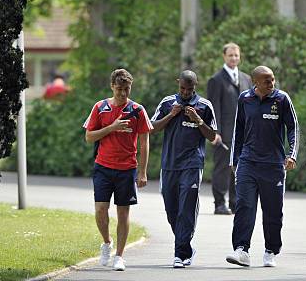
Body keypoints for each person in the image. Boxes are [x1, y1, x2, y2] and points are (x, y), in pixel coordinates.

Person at [226, 66, 299, 268]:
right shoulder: (245, 98)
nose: (271, 83)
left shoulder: (282, 99)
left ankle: (270, 250)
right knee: (244, 207)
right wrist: (234, 160)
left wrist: (291, 154)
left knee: (273, 211)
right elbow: (237, 130)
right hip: (248, 163)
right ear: (255, 82)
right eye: (267, 80)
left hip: (274, 165)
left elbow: (293, 128)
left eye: (273, 79)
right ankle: (241, 250)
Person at [83, 68, 152, 271]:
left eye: (127, 89)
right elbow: (89, 137)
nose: (123, 93)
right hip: (103, 166)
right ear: (112, 86)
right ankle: (106, 242)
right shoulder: (100, 107)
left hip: (127, 169)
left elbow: (144, 142)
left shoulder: (138, 110)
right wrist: (112, 127)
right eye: (119, 89)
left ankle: (119, 257)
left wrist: (142, 171)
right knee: (100, 210)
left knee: (123, 213)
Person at [151, 70, 217, 268]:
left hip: (192, 163)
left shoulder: (204, 106)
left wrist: (198, 120)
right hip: (170, 164)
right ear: (178, 83)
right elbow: (152, 127)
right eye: (183, 88)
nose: (186, 92)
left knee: (186, 209)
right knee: (172, 210)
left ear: (195, 86)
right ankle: (186, 247)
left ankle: (179, 254)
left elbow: (212, 136)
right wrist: (171, 115)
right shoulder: (167, 102)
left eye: (190, 89)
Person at [207, 42, 252, 215]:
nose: (234, 58)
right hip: (224, 133)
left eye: (236, 55)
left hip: (244, 133)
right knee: (222, 168)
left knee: (239, 168)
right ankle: (219, 203)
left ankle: (235, 202)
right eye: (230, 55)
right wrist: (214, 131)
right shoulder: (216, 80)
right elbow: (213, 108)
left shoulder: (247, 79)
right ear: (224, 56)